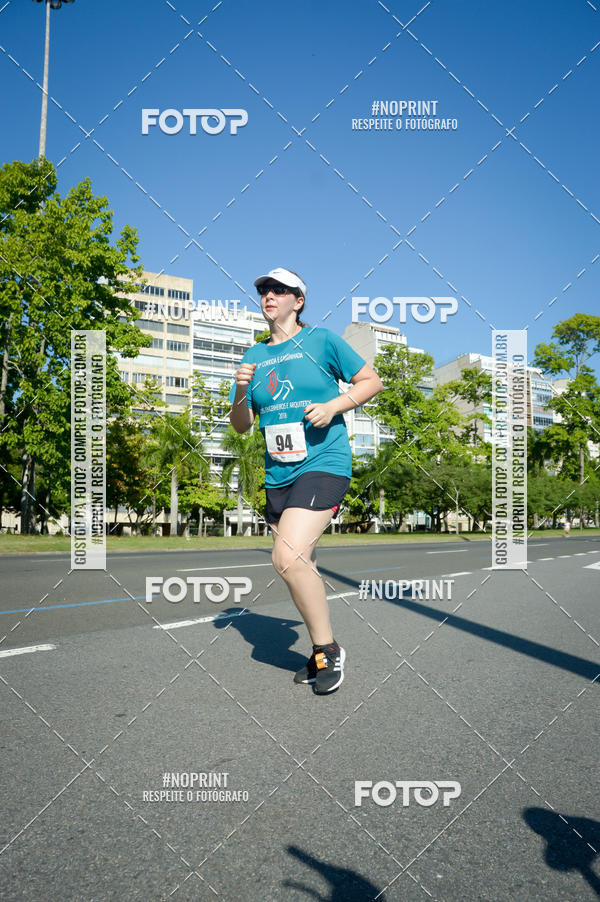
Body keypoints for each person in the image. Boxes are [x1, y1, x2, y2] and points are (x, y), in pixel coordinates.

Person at [229, 267, 383, 694]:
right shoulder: (253, 356)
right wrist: (240, 390)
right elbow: (241, 425)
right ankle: (320, 651)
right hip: (278, 473)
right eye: (264, 290)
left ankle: (328, 650)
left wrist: (334, 407)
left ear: (298, 301)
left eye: (280, 290)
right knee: (302, 565)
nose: (269, 295)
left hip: (324, 463)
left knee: (287, 557)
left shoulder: (323, 341)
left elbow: (371, 382)